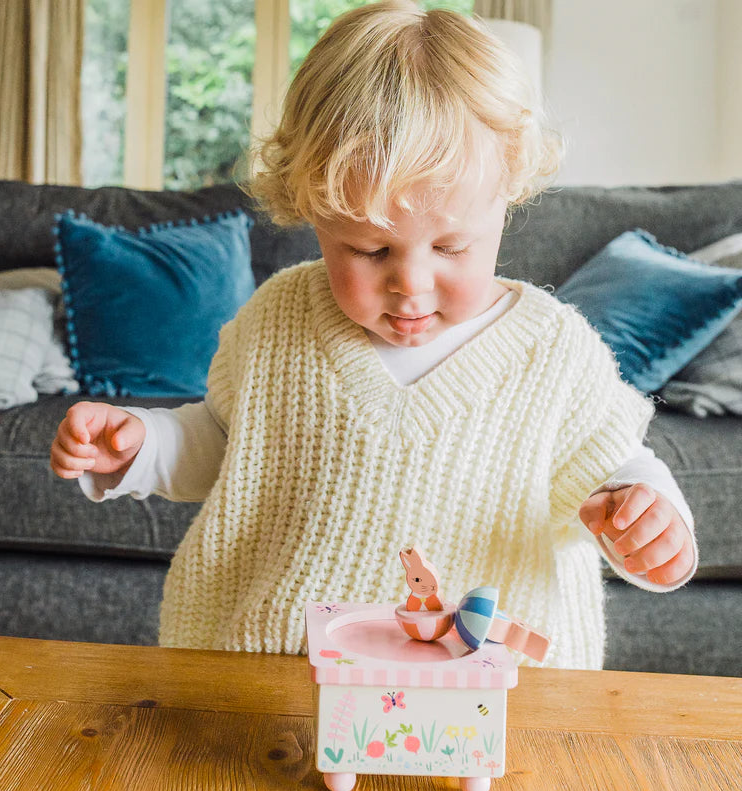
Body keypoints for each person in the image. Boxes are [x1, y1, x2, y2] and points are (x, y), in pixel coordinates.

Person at [50, 0, 696, 669]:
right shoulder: (279, 321)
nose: (410, 285)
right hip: (270, 674)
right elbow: (221, 445)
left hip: (479, 699)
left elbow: (615, 467)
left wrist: (650, 524)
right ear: (312, 212)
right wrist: (139, 445)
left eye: (450, 247)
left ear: (508, 196)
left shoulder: (553, 352)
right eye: (368, 250)